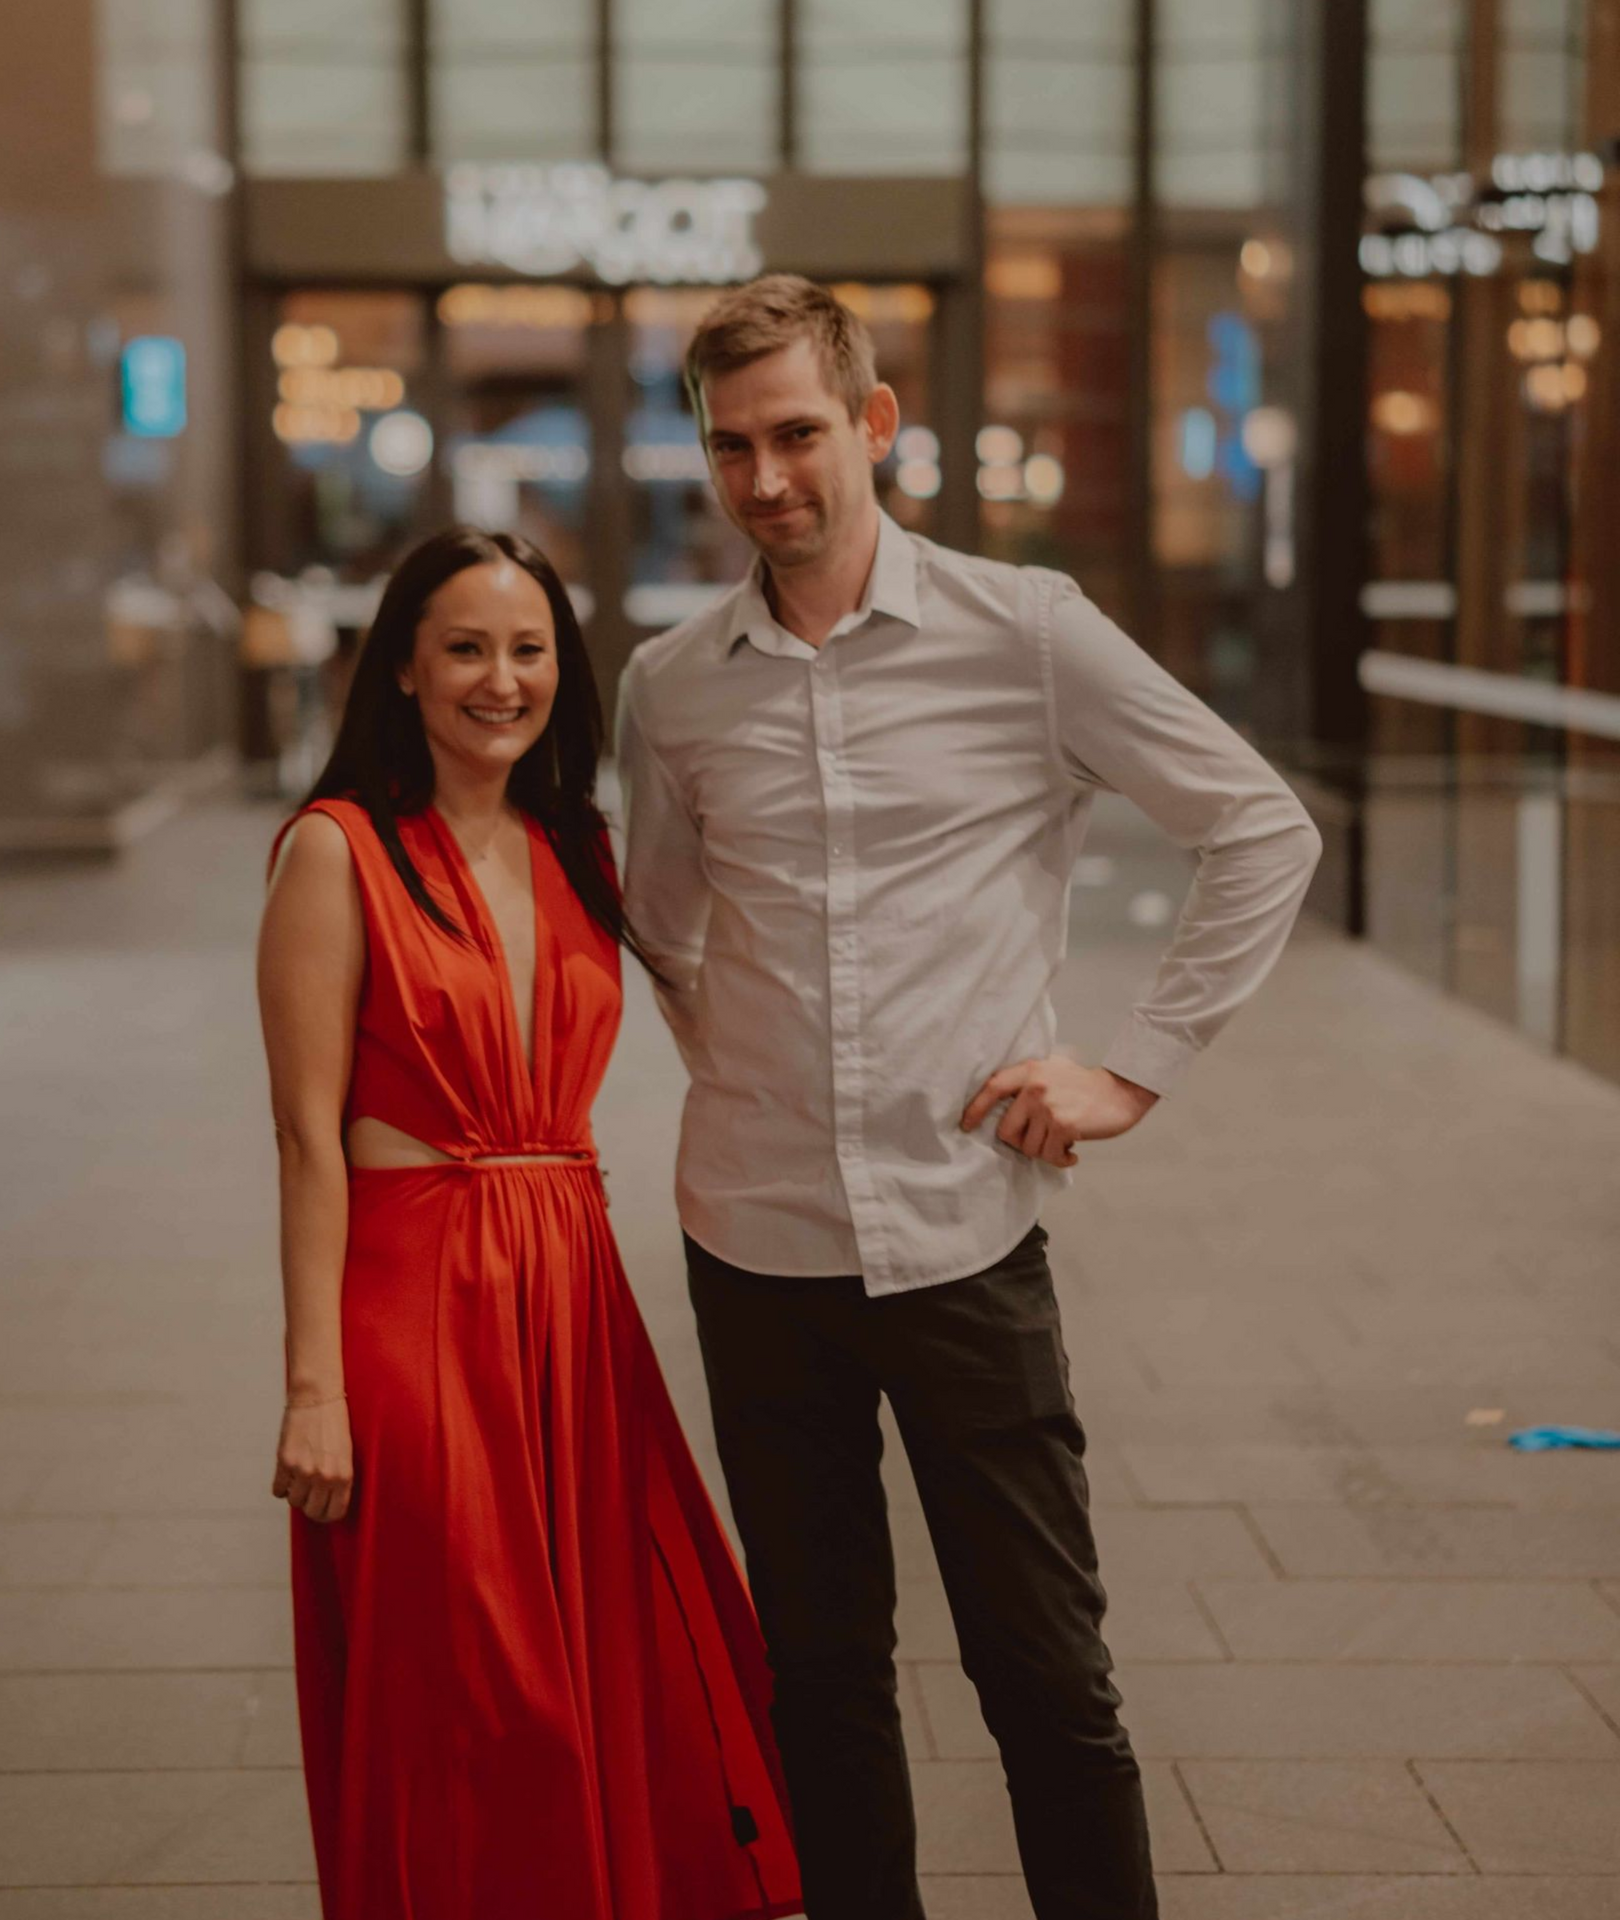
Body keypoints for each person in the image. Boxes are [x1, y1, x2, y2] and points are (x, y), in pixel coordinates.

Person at [616, 276, 1324, 1920]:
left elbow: (1260, 825)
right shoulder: (674, 685)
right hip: (755, 1243)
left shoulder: (1025, 630)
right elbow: (660, 917)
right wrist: (744, 1055)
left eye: (797, 433)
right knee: (824, 1686)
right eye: (732, 447)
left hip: (963, 1243)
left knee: (1047, 1684)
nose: (766, 478)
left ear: (874, 425)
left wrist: (1133, 1067)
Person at [256, 526, 802, 1920]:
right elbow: (305, 1141)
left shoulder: (577, 845)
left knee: (607, 1665)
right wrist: (313, 1387)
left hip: (571, 1291)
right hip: (415, 1296)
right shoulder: (336, 853)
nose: (500, 680)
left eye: (529, 650)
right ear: (401, 670)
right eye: (464, 648)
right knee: (481, 1680)